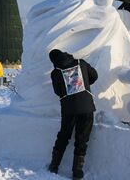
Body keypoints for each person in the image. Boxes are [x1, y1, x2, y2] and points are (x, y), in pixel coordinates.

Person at [47, 49, 98, 180]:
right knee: (82, 139)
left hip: (69, 109)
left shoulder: (55, 72)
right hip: (86, 107)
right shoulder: (81, 63)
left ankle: (54, 165)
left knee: (63, 136)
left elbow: (58, 92)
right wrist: (84, 82)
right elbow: (95, 76)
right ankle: (77, 172)